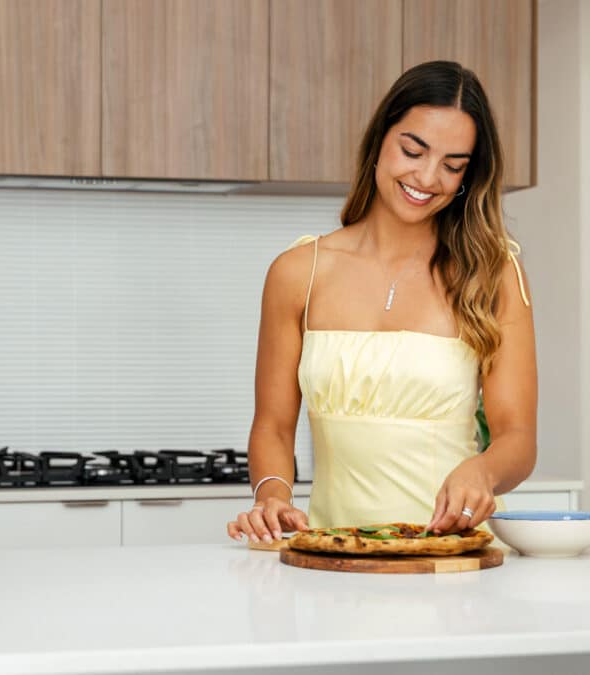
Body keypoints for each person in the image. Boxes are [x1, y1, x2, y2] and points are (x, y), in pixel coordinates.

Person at [227, 61, 537, 545]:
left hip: (449, 559)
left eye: (453, 165)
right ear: (379, 139)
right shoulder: (297, 273)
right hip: (333, 559)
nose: (428, 177)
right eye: (413, 150)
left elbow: (518, 438)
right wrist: (271, 495)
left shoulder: (493, 276)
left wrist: (483, 470)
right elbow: (271, 425)